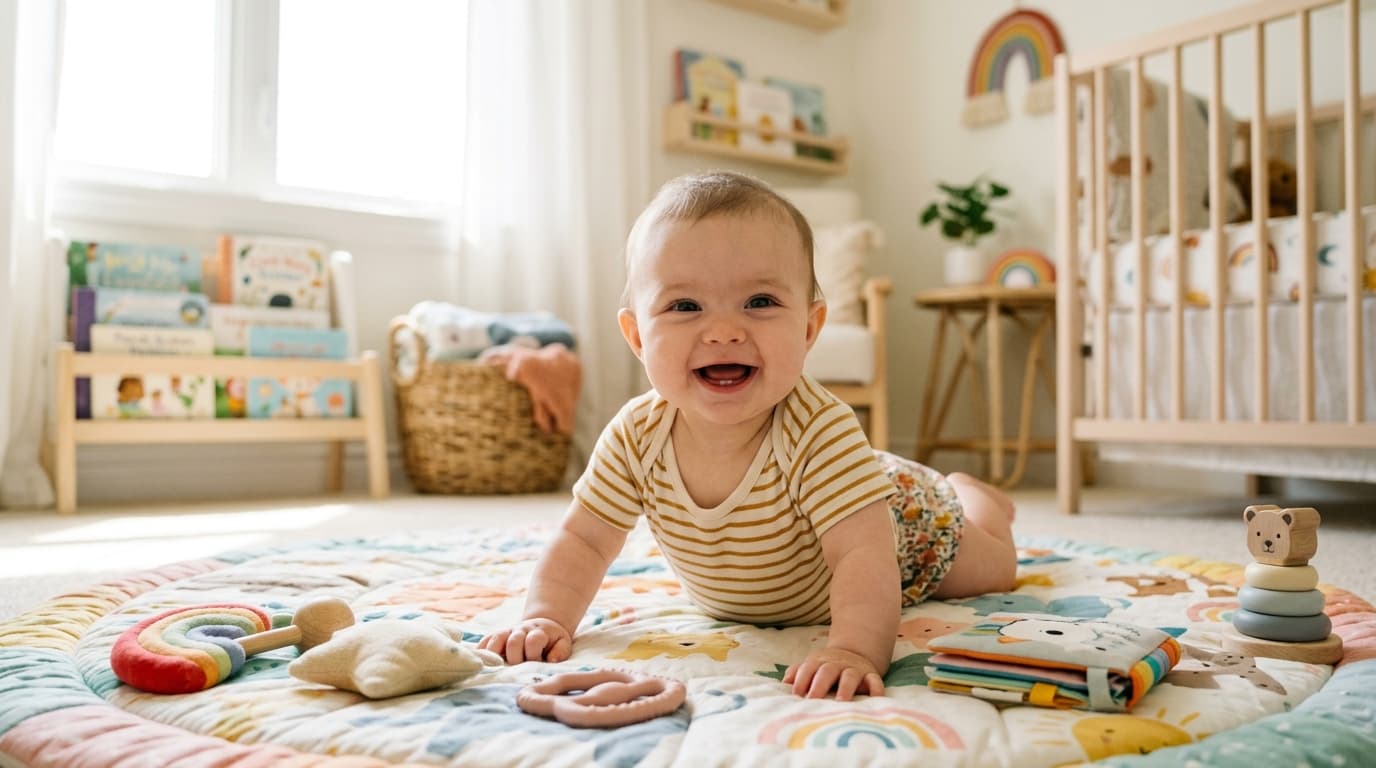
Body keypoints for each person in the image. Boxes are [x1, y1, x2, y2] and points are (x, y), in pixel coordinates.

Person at [479, 171, 1018, 700]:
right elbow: (583, 540)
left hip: (904, 521)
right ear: (638, 335)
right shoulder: (635, 437)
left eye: (759, 302)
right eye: (685, 306)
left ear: (808, 329)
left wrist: (853, 650)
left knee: (996, 569)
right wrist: (546, 617)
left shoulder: (821, 429)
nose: (724, 330)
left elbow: (862, 557)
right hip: (829, 518)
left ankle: (976, 499)